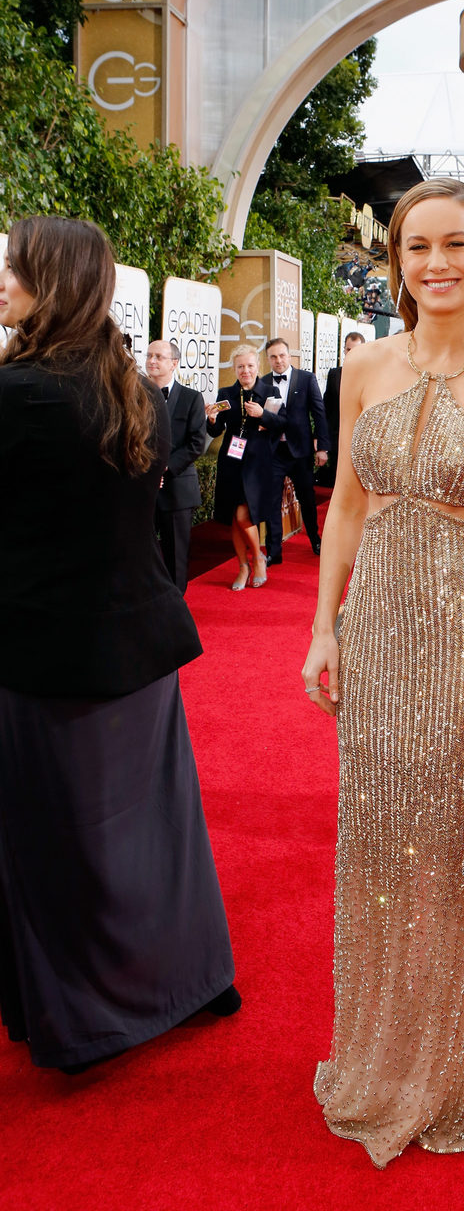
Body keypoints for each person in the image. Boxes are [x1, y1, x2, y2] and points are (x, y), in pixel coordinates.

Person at [301, 178, 464, 1168]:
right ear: (396, 261)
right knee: (375, 841)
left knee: (452, 848)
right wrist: (325, 626)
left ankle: (451, 1073)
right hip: (380, 628)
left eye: (456, 244)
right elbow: (345, 511)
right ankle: (376, 1056)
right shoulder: (362, 367)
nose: (437, 264)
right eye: (417, 248)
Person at [0, 216, 238, 1074]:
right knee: (156, 836)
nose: (1, 281)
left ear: (51, 283)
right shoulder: (124, 381)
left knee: (55, 846)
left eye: (14, 269)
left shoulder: (22, 391)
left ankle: (91, 1020)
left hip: (47, 660)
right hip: (136, 652)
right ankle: (188, 979)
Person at [207, 345, 274, 589]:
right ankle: (242, 567)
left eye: (250, 366)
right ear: (234, 368)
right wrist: (212, 419)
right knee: (234, 517)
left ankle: (257, 558)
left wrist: (263, 415)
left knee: (243, 514)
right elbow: (216, 430)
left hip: (257, 463)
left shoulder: (269, 391)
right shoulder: (225, 394)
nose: (245, 371)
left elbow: (282, 423)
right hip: (231, 460)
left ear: (257, 367)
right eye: (240, 366)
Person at [258, 337, 329, 565]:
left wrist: (323, 448)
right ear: (267, 359)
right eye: (273, 357)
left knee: (307, 499)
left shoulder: (306, 379)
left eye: (281, 355)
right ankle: (274, 551)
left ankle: (315, 540)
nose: (278, 361)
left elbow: (319, 414)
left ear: (289, 356)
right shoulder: (264, 382)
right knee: (272, 501)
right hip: (274, 452)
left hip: (301, 452)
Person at [146, 338, 206, 593]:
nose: (151, 361)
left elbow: (196, 443)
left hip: (176, 489)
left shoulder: (192, 398)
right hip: (142, 489)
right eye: (149, 355)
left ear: (174, 363)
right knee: (142, 554)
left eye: (158, 356)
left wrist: (164, 469)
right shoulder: (134, 395)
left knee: (176, 556)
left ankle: (175, 608)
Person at [322, 329, 365, 482]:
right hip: (337, 438)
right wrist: (322, 440)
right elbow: (326, 408)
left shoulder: (369, 375)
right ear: (344, 350)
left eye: (356, 349)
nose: (351, 353)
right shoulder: (334, 374)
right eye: (348, 349)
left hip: (360, 439)